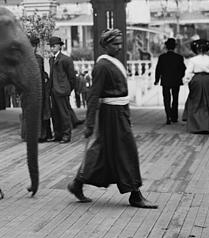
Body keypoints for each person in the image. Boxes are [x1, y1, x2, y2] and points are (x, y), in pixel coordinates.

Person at [67, 29, 157, 209]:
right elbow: (93, 96)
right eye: (115, 44)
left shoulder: (115, 62)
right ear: (105, 45)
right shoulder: (101, 66)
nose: (120, 47)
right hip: (110, 115)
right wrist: (90, 124)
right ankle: (135, 194)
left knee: (103, 152)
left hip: (119, 113)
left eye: (120, 43)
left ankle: (77, 183)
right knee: (127, 151)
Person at [182, 39, 209, 134]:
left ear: (197, 50)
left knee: (195, 102)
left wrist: (186, 80)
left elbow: (188, 72)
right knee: (208, 102)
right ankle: (208, 125)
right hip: (208, 81)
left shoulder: (193, 60)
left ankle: (196, 126)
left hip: (197, 81)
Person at [20, 35, 52, 142]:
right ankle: (36, 135)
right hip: (33, 89)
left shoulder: (31, 59)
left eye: (33, 46)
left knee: (34, 112)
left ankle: (35, 135)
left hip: (32, 89)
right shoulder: (34, 59)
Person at [48, 35, 78, 143]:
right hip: (53, 91)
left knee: (64, 114)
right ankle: (57, 134)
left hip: (62, 91)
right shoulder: (51, 60)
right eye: (51, 46)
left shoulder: (66, 59)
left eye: (54, 46)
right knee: (55, 114)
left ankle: (66, 135)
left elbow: (72, 77)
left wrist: (68, 89)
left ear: (59, 46)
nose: (52, 48)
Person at [154, 38, 186, 125]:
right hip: (176, 81)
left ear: (166, 47)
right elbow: (183, 69)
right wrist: (180, 77)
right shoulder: (179, 57)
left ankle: (168, 116)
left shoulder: (162, 57)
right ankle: (174, 117)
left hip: (165, 81)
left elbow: (158, 70)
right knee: (175, 99)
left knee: (166, 99)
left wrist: (157, 80)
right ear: (175, 47)